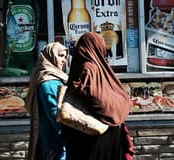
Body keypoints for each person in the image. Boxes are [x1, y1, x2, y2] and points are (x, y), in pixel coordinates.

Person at [62, 32, 134, 160]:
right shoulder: (100, 68)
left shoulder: (86, 68)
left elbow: (94, 97)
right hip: (110, 129)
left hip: (93, 133)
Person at [26, 42, 68, 160]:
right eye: (60, 55)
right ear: (50, 56)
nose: (64, 60)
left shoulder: (57, 77)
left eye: (65, 56)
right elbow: (55, 113)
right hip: (54, 139)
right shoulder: (48, 82)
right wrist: (71, 134)